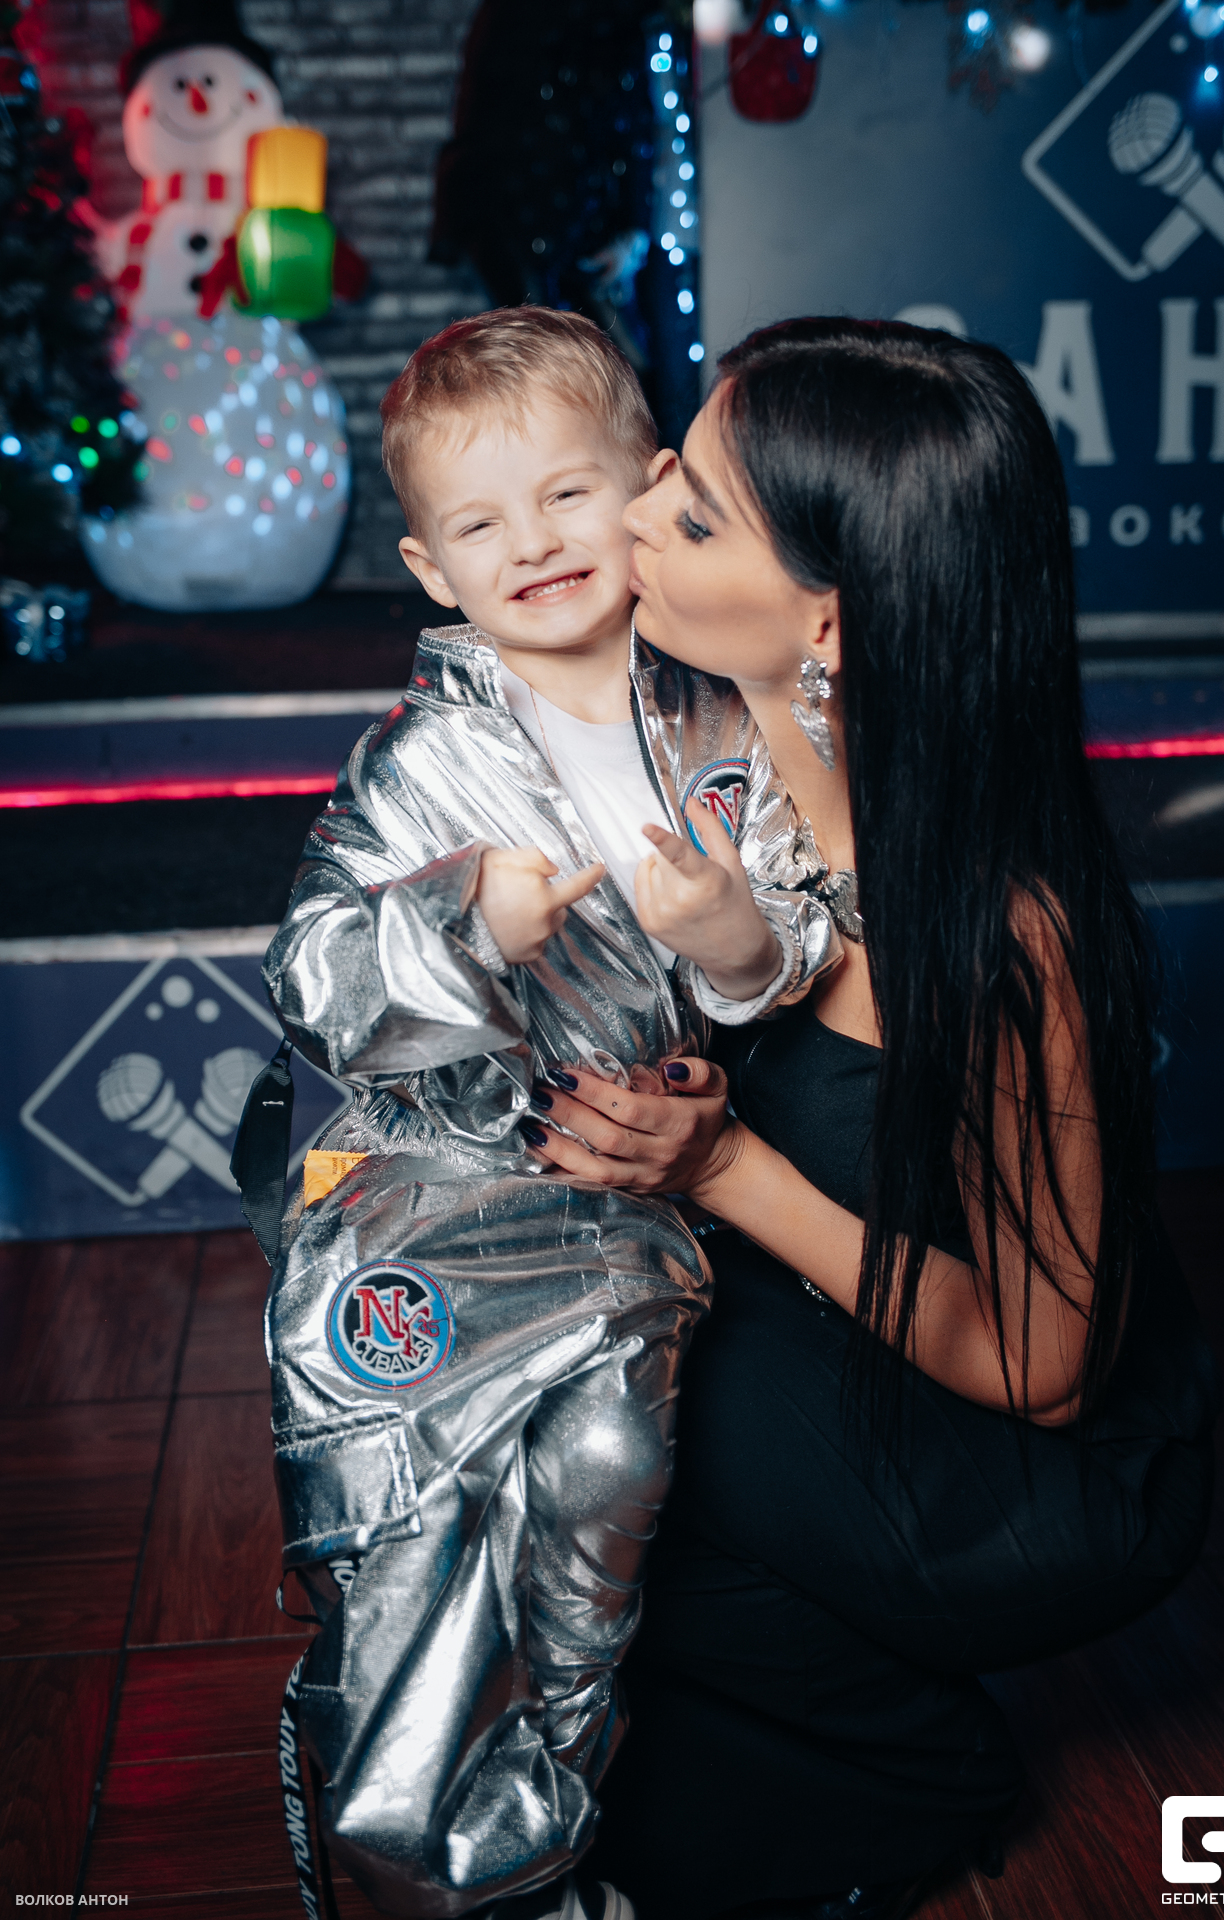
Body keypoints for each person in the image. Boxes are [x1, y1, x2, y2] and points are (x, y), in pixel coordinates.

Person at [515, 318, 1222, 1920]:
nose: (632, 515)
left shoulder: (1002, 934)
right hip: (856, 1330)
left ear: (824, 620)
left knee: (613, 1415)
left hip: (1045, 1478)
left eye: (692, 514)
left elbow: (1049, 1372)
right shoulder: (717, 782)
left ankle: (915, 1765)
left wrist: (723, 1164)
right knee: (562, 1348)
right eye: (669, 467)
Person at [260, 308, 837, 1920]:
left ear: (647, 492)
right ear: (431, 570)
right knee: (417, 1522)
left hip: (627, 1209)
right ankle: (418, 1851)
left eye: (568, 495)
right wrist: (459, 922)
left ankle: (551, 1810)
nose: (531, 544)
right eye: (481, 524)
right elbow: (312, 976)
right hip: (439, 1191)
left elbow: (802, 923)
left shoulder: (732, 725)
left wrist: (741, 946)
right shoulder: (415, 766)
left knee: (609, 1462)